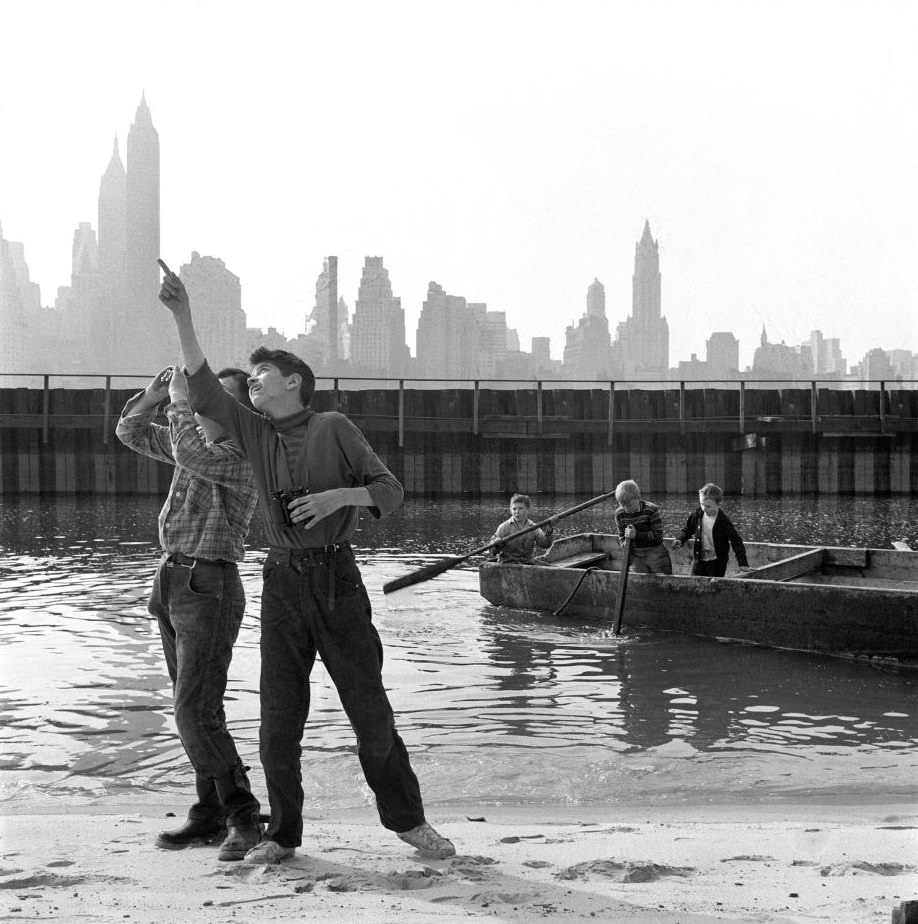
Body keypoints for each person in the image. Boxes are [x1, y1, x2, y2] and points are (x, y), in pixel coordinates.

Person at [157, 268, 455, 865]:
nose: (254, 382)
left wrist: (338, 498)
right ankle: (283, 835)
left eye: (263, 373)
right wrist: (182, 315)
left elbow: (389, 491)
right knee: (278, 717)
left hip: (337, 577)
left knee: (369, 710)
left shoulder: (332, 427)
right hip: (282, 580)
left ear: (293, 381)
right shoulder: (252, 432)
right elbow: (203, 389)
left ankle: (410, 823)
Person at [115, 364, 264, 861]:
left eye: (216, 395)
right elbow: (130, 430)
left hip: (211, 584)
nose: (203, 400)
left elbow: (189, 450)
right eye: (202, 392)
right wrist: (154, 394)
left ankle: (243, 816)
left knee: (192, 711)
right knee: (197, 708)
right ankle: (209, 813)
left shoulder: (243, 452)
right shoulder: (191, 443)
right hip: (172, 578)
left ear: (240, 409)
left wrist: (180, 398)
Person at [672, 483, 749, 577]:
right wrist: (680, 539)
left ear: (719, 504)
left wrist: (743, 563)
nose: (704, 509)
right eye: (702, 505)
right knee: (694, 584)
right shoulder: (697, 515)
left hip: (717, 562)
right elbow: (688, 529)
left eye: (708, 506)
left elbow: (736, 541)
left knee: (713, 587)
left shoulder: (723, 521)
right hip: (699, 560)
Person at [613, 479, 673, 574]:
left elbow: (658, 537)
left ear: (638, 497)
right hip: (637, 555)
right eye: (623, 505)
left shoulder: (651, 509)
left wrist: (636, 535)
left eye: (629, 505)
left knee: (664, 581)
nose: (626, 510)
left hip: (656, 553)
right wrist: (625, 544)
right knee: (640, 583)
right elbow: (622, 538)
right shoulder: (619, 514)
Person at [489, 493, 553, 564]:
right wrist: (496, 544)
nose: (517, 512)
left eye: (520, 508)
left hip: (528, 565)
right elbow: (492, 552)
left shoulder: (533, 527)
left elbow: (545, 544)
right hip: (508, 565)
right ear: (510, 510)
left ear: (527, 509)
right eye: (514, 509)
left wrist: (549, 529)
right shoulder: (503, 527)